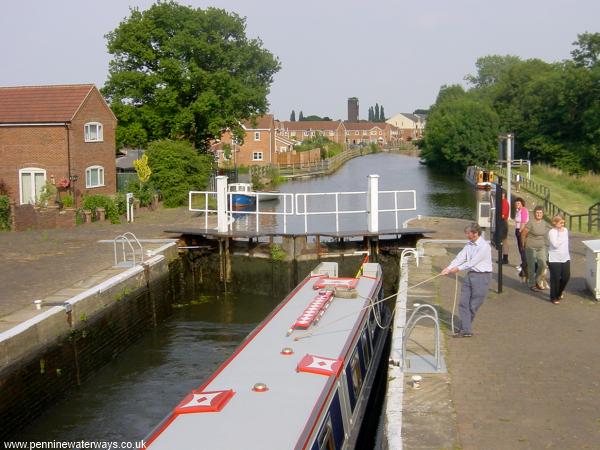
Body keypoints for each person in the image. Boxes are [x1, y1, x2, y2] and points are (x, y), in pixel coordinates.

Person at [441, 223, 492, 338]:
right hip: (470, 276)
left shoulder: (484, 247)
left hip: (482, 277)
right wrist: (448, 268)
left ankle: (465, 327)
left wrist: (457, 269)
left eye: (468, 234)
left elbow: (472, 262)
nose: (466, 236)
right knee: (463, 303)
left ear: (475, 234)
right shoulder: (469, 244)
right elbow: (460, 257)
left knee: (473, 305)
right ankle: (466, 330)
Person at [521, 205, 550, 292]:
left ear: (542, 214)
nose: (538, 214)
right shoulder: (531, 222)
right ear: (534, 214)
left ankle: (538, 279)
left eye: (540, 213)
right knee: (532, 266)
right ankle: (532, 284)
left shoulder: (544, 223)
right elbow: (523, 234)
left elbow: (551, 231)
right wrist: (523, 245)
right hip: (530, 246)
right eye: (537, 213)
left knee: (543, 265)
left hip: (541, 247)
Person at [547, 214, 570, 304]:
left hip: (565, 257)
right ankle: (553, 297)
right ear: (555, 223)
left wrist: (562, 232)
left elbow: (565, 243)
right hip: (554, 258)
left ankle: (559, 292)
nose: (562, 225)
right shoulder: (552, 232)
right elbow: (555, 245)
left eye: (563, 223)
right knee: (555, 278)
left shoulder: (566, 230)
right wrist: (560, 233)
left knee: (566, 277)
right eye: (560, 223)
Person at [514, 197, 529, 273]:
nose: (517, 205)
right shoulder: (518, 211)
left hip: (522, 231)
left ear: (522, 203)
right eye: (516, 203)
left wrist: (519, 231)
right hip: (518, 229)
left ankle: (524, 265)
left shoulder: (523, 210)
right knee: (520, 248)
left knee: (522, 248)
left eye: (518, 203)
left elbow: (523, 222)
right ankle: (523, 263)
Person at [498, 190, 510, 264]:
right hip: (502, 222)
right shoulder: (502, 202)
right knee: (503, 240)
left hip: (503, 223)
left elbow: (502, 215)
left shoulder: (504, 202)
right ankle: (504, 258)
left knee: (503, 241)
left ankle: (505, 258)